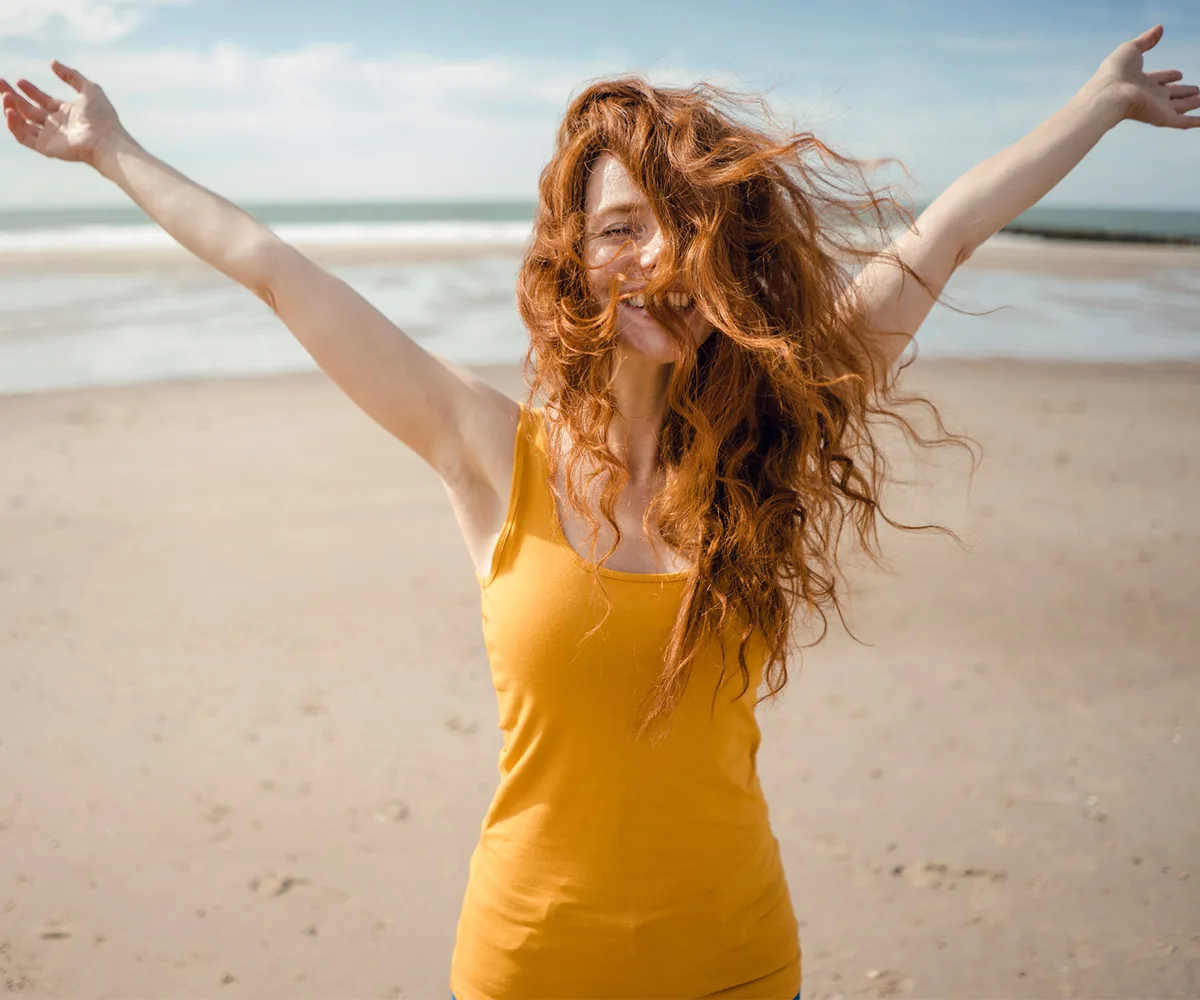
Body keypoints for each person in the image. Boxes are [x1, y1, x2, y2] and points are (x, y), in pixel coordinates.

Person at [2, 23, 1195, 1000]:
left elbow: (945, 235)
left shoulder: (776, 438)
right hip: (528, 961)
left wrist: (1096, 105)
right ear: (574, 256)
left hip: (735, 958)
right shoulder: (483, 449)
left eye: (682, 223)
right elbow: (273, 267)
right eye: (620, 226)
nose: (655, 255)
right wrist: (113, 150)